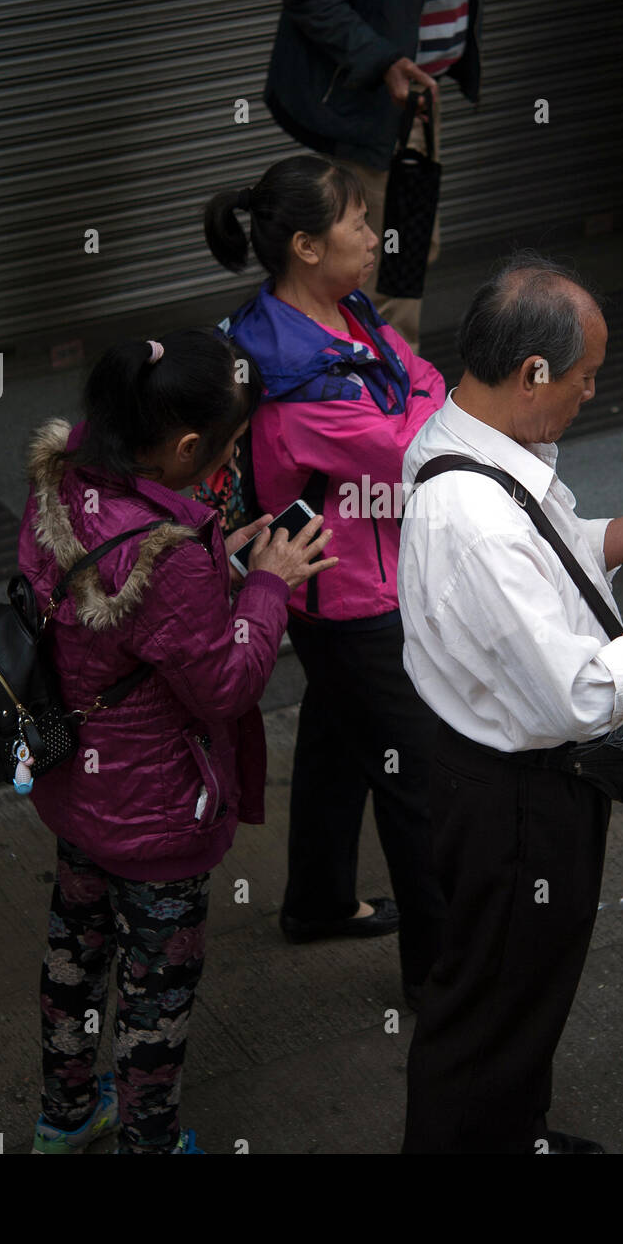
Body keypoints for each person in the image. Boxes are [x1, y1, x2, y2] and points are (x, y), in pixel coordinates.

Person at [396, 253, 623, 1154]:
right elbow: (584, 696)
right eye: (587, 377)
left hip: (516, 780)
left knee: (526, 986)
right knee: (492, 999)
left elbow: (562, 554)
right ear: (533, 374)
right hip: (515, 796)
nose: (593, 394)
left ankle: (514, 1131)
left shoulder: (471, 443)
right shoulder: (471, 519)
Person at [18, 329, 336, 1155]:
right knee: (157, 992)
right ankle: (150, 1144)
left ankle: (65, 1114)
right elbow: (226, 682)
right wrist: (266, 582)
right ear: (189, 446)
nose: (230, 461)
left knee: (74, 958)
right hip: (158, 811)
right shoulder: (174, 558)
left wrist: (216, 565)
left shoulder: (64, 486)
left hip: (77, 791)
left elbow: (117, 620)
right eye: (228, 446)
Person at [204, 154, 448, 1010]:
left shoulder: (337, 316)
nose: (374, 236)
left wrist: (417, 403)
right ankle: (439, 982)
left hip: (349, 578)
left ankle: (315, 900)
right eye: (355, 221)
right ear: (306, 245)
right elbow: (409, 444)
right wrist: (420, 409)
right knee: (416, 778)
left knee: (342, 736)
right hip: (348, 594)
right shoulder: (293, 372)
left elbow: (420, 378)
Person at [264, 0, 588, 351]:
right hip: (370, 108)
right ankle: (361, 409)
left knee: (404, 262)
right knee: (365, 275)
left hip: (414, 100)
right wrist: (381, 60)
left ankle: (393, 398)